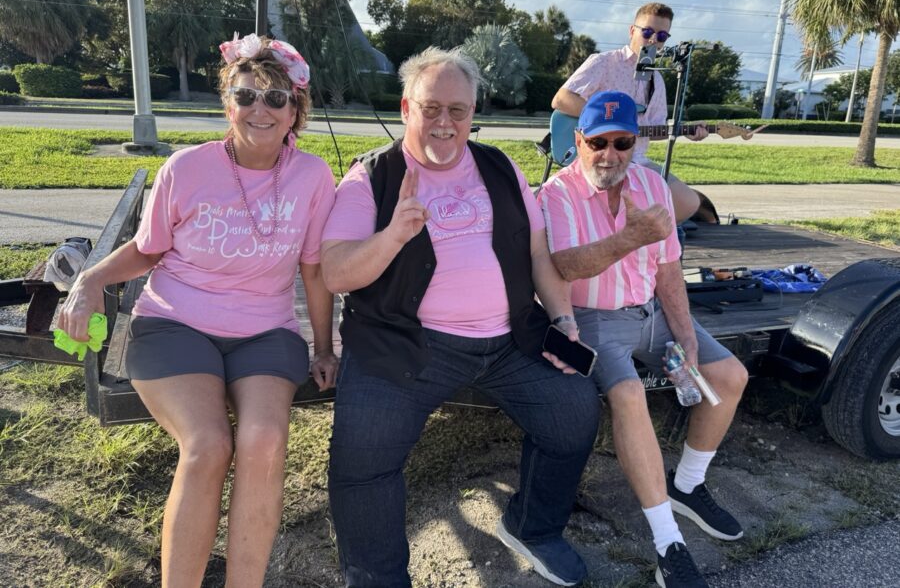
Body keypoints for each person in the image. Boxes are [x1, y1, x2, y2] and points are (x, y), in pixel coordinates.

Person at [57, 34, 338, 587]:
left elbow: (313, 269)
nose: (261, 109)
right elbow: (147, 248)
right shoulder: (186, 169)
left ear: (295, 111)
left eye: (276, 98)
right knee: (208, 444)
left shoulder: (313, 176)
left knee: (264, 441)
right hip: (175, 325)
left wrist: (324, 347)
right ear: (227, 103)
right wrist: (89, 280)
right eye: (246, 96)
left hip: (265, 331)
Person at [321, 46, 601, 587]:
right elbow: (336, 273)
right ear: (406, 109)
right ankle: (377, 578)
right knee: (362, 462)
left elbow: (540, 254)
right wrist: (393, 234)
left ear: (474, 113)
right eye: (431, 108)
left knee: (573, 413)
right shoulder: (371, 177)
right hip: (407, 345)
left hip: (509, 339)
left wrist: (563, 319)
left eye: (459, 110)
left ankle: (534, 528)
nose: (445, 123)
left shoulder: (499, 165)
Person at [538, 90, 749, 588]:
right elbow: (564, 267)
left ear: (635, 143)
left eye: (623, 142)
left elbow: (669, 269)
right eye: (599, 143)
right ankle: (666, 542)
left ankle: (688, 484)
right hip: (590, 317)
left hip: (649, 310)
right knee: (630, 394)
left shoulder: (652, 184)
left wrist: (686, 337)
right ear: (578, 139)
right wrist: (630, 236)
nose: (609, 155)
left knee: (729, 375)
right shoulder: (557, 193)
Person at [551, 2, 707, 222]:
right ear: (632, 30)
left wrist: (684, 129)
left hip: (638, 160)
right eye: (647, 32)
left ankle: (635, 243)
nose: (653, 40)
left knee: (688, 202)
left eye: (662, 36)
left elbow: (655, 128)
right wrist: (607, 120)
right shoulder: (604, 62)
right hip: (601, 153)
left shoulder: (657, 80)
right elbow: (561, 99)